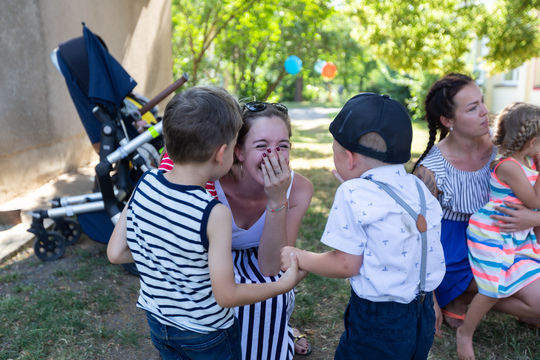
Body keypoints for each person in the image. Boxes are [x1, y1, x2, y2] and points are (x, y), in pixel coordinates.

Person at [107, 86, 306, 360]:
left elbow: (116, 253)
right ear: (223, 152)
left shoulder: (145, 183)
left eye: (283, 146)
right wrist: (284, 286)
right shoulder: (213, 213)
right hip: (207, 334)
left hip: (159, 323)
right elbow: (226, 295)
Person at [281, 93, 446, 360]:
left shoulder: (353, 193)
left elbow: (346, 264)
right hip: (421, 312)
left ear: (349, 158)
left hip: (378, 320)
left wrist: (299, 256)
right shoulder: (417, 186)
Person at [159, 100, 314, 359]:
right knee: (213, 297)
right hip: (210, 252)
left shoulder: (298, 189)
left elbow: (271, 267)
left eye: (283, 146)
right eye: (262, 146)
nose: (274, 156)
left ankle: (277, 334)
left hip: (263, 256)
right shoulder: (210, 175)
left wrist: (277, 200)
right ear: (238, 151)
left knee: (269, 297)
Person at [413, 73, 540, 334]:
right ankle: (457, 295)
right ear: (448, 121)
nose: (485, 112)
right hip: (456, 250)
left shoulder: (508, 144)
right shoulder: (432, 171)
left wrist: (535, 219)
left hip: (508, 235)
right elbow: (416, 237)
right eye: (473, 108)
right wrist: (431, 300)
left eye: (482, 102)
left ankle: (466, 298)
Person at [457, 102, 540, 360]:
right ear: (533, 142)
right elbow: (535, 202)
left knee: (513, 280)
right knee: (493, 286)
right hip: (494, 232)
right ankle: (465, 333)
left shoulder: (525, 161)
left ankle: (474, 304)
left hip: (515, 234)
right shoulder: (508, 166)